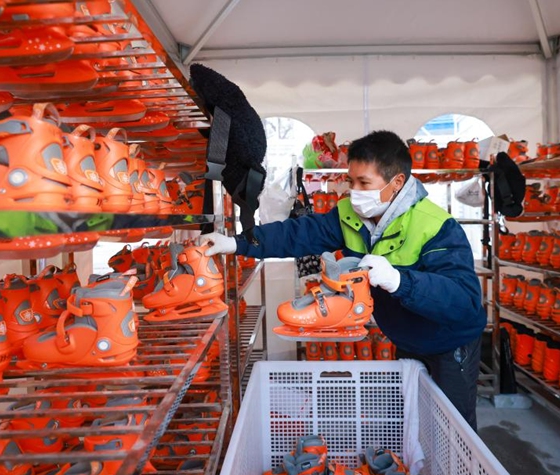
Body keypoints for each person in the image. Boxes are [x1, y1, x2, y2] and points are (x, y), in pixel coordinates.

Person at [200, 130, 486, 429]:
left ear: (396, 183)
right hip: (405, 338)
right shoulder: (350, 214)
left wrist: (400, 281)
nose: (355, 191)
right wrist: (237, 243)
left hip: (450, 343)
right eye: (352, 181)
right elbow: (298, 234)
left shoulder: (436, 226)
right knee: (411, 422)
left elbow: (464, 301)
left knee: (452, 431)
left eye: (365, 183)